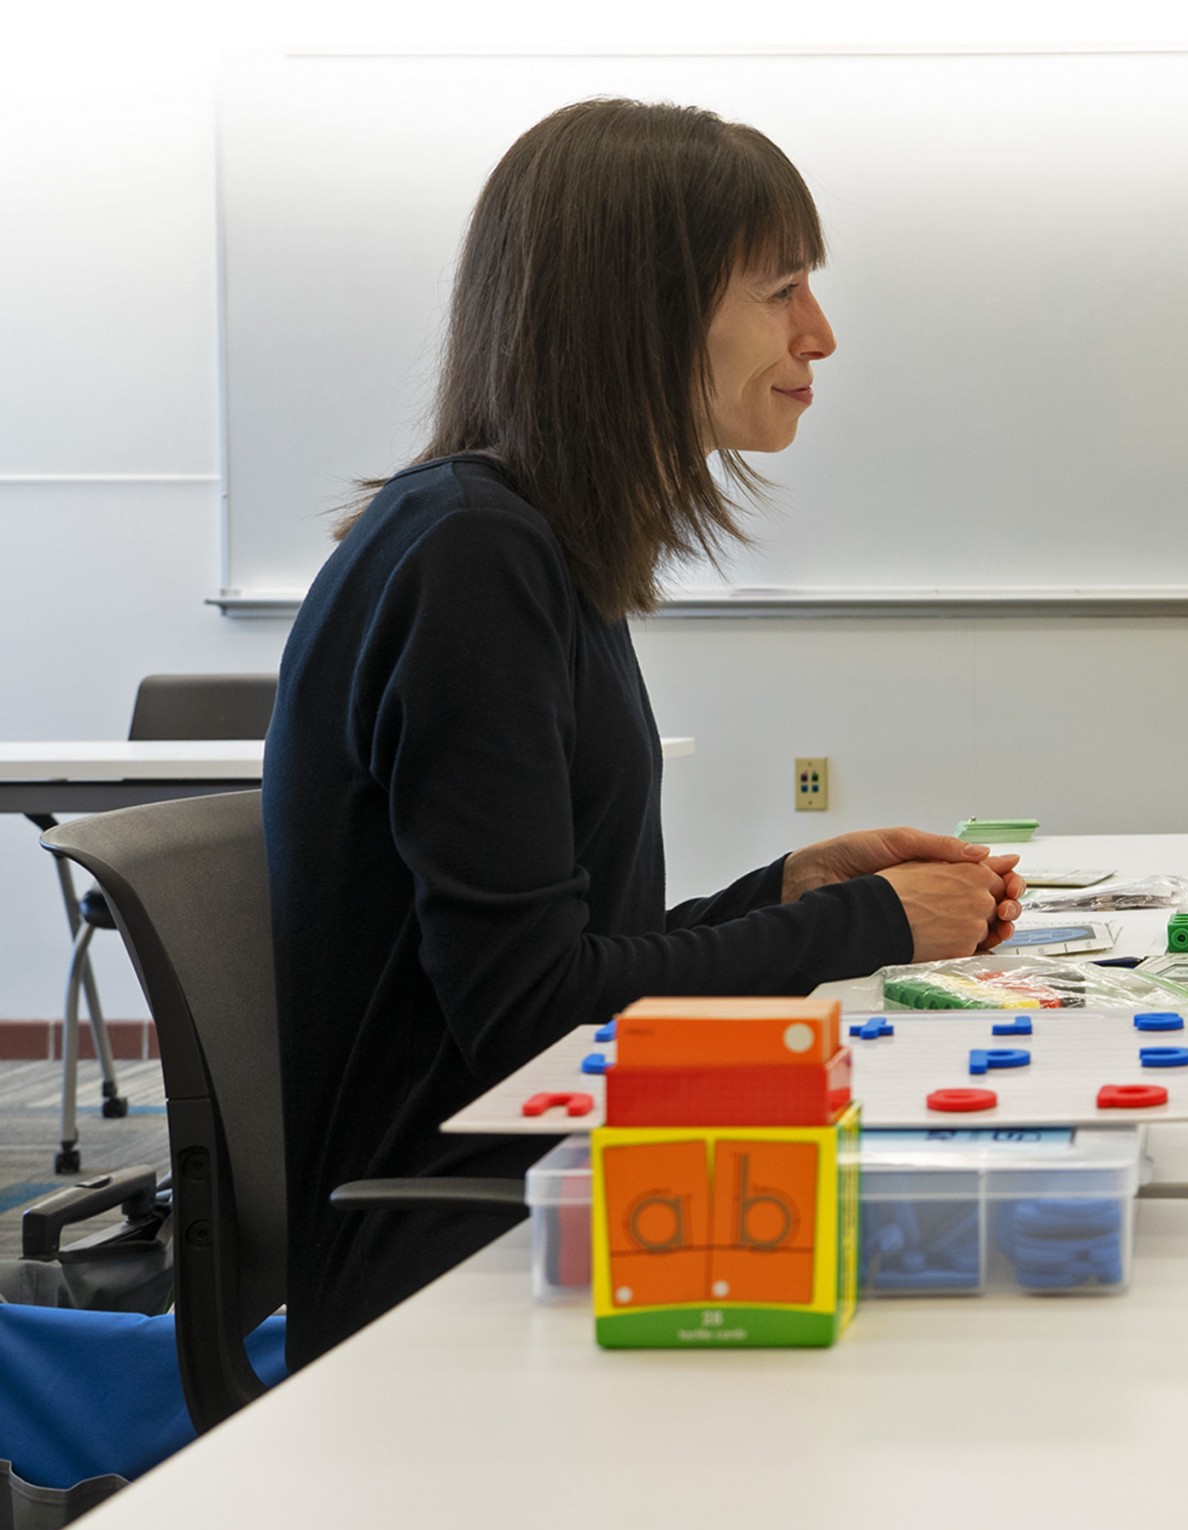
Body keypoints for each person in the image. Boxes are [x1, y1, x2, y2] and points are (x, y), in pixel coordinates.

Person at [264, 99, 1025, 1365]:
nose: (819, 334)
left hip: (544, 1183)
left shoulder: (530, 546)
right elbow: (534, 1017)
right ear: (646, 308)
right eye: (781, 289)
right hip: (454, 1258)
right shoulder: (472, 558)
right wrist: (872, 923)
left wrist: (785, 887)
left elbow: (560, 960)